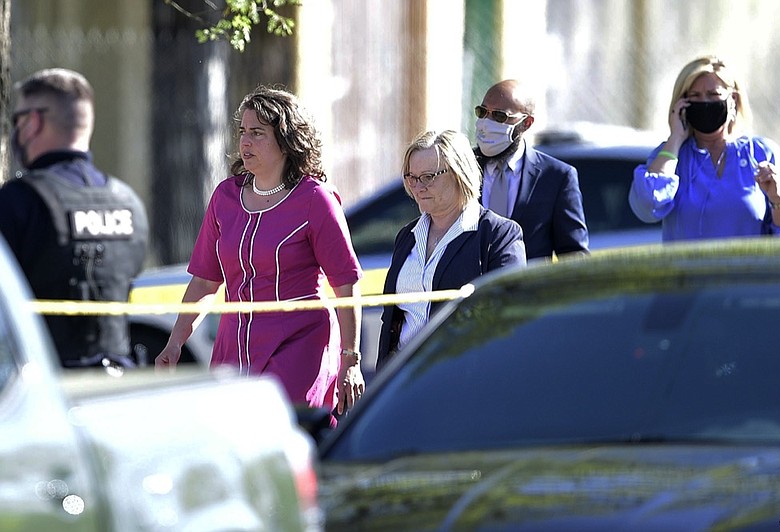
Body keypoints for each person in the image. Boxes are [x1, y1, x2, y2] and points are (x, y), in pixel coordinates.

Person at [156, 85, 364, 415]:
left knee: (284, 437)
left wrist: (350, 359)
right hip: (232, 344)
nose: (245, 142)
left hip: (299, 343)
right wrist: (175, 342)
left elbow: (345, 283)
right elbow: (205, 282)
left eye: (257, 133)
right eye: (242, 132)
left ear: (286, 140)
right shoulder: (225, 197)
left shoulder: (315, 199)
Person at [0, 68, 149, 369]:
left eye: (17, 120)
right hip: (115, 385)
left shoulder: (18, 200)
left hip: (39, 391)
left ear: (33, 122)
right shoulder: (129, 202)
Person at [376, 129, 526, 370]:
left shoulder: (498, 234)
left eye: (428, 176)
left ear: (459, 173)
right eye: (411, 177)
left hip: (464, 374)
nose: (418, 186)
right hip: (404, 377)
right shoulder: (407, 236)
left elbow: (508, 313)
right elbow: (393, 319)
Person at [629, 55, 780, 240]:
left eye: (713, 95)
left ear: (733, 99)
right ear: (682, 104)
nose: (705, 103)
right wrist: (676, 138)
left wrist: (778, 201)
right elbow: (647, 204)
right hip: (687, 269)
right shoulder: (672, 155)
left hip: (750, 269)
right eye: (695, 96)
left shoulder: (761, 153)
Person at [475, 79, 589, 259]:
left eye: (499, 116)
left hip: (525, 286)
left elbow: (574, 256)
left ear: (526, 123)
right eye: (482, 112)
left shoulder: (556, 177)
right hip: (468, 287)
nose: (486, 122)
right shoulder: (461, 166)